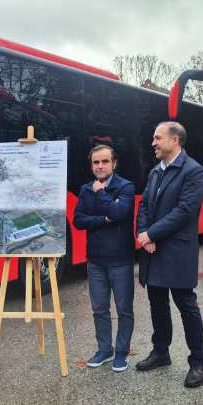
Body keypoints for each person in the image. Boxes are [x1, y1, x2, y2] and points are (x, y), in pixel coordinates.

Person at [135, 121, 203, 388]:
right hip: (153, 249)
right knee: (157, 303)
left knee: (186, 305)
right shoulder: (156, 171)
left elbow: (185, 211)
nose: (153, 143)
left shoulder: (194, 171)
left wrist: (151, 234)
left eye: (157, 138)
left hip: (176, 251)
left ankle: (198, 363)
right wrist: (145, 235)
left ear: (175, 140)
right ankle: (161, 352)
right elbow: (143, 205)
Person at [73, 144, 135, 372]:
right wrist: (103, 220)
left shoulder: (125, 187)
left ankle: (121, 353)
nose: (99, 166)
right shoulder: (85, 189)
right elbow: (78, 220)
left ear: (114, 163)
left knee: (124, 309)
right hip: (95, 260)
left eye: (104, 161)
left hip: (121, 260)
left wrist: (101, 194)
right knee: (99, 308)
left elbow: (118, 213)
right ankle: (104, 349)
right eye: (95, 162)